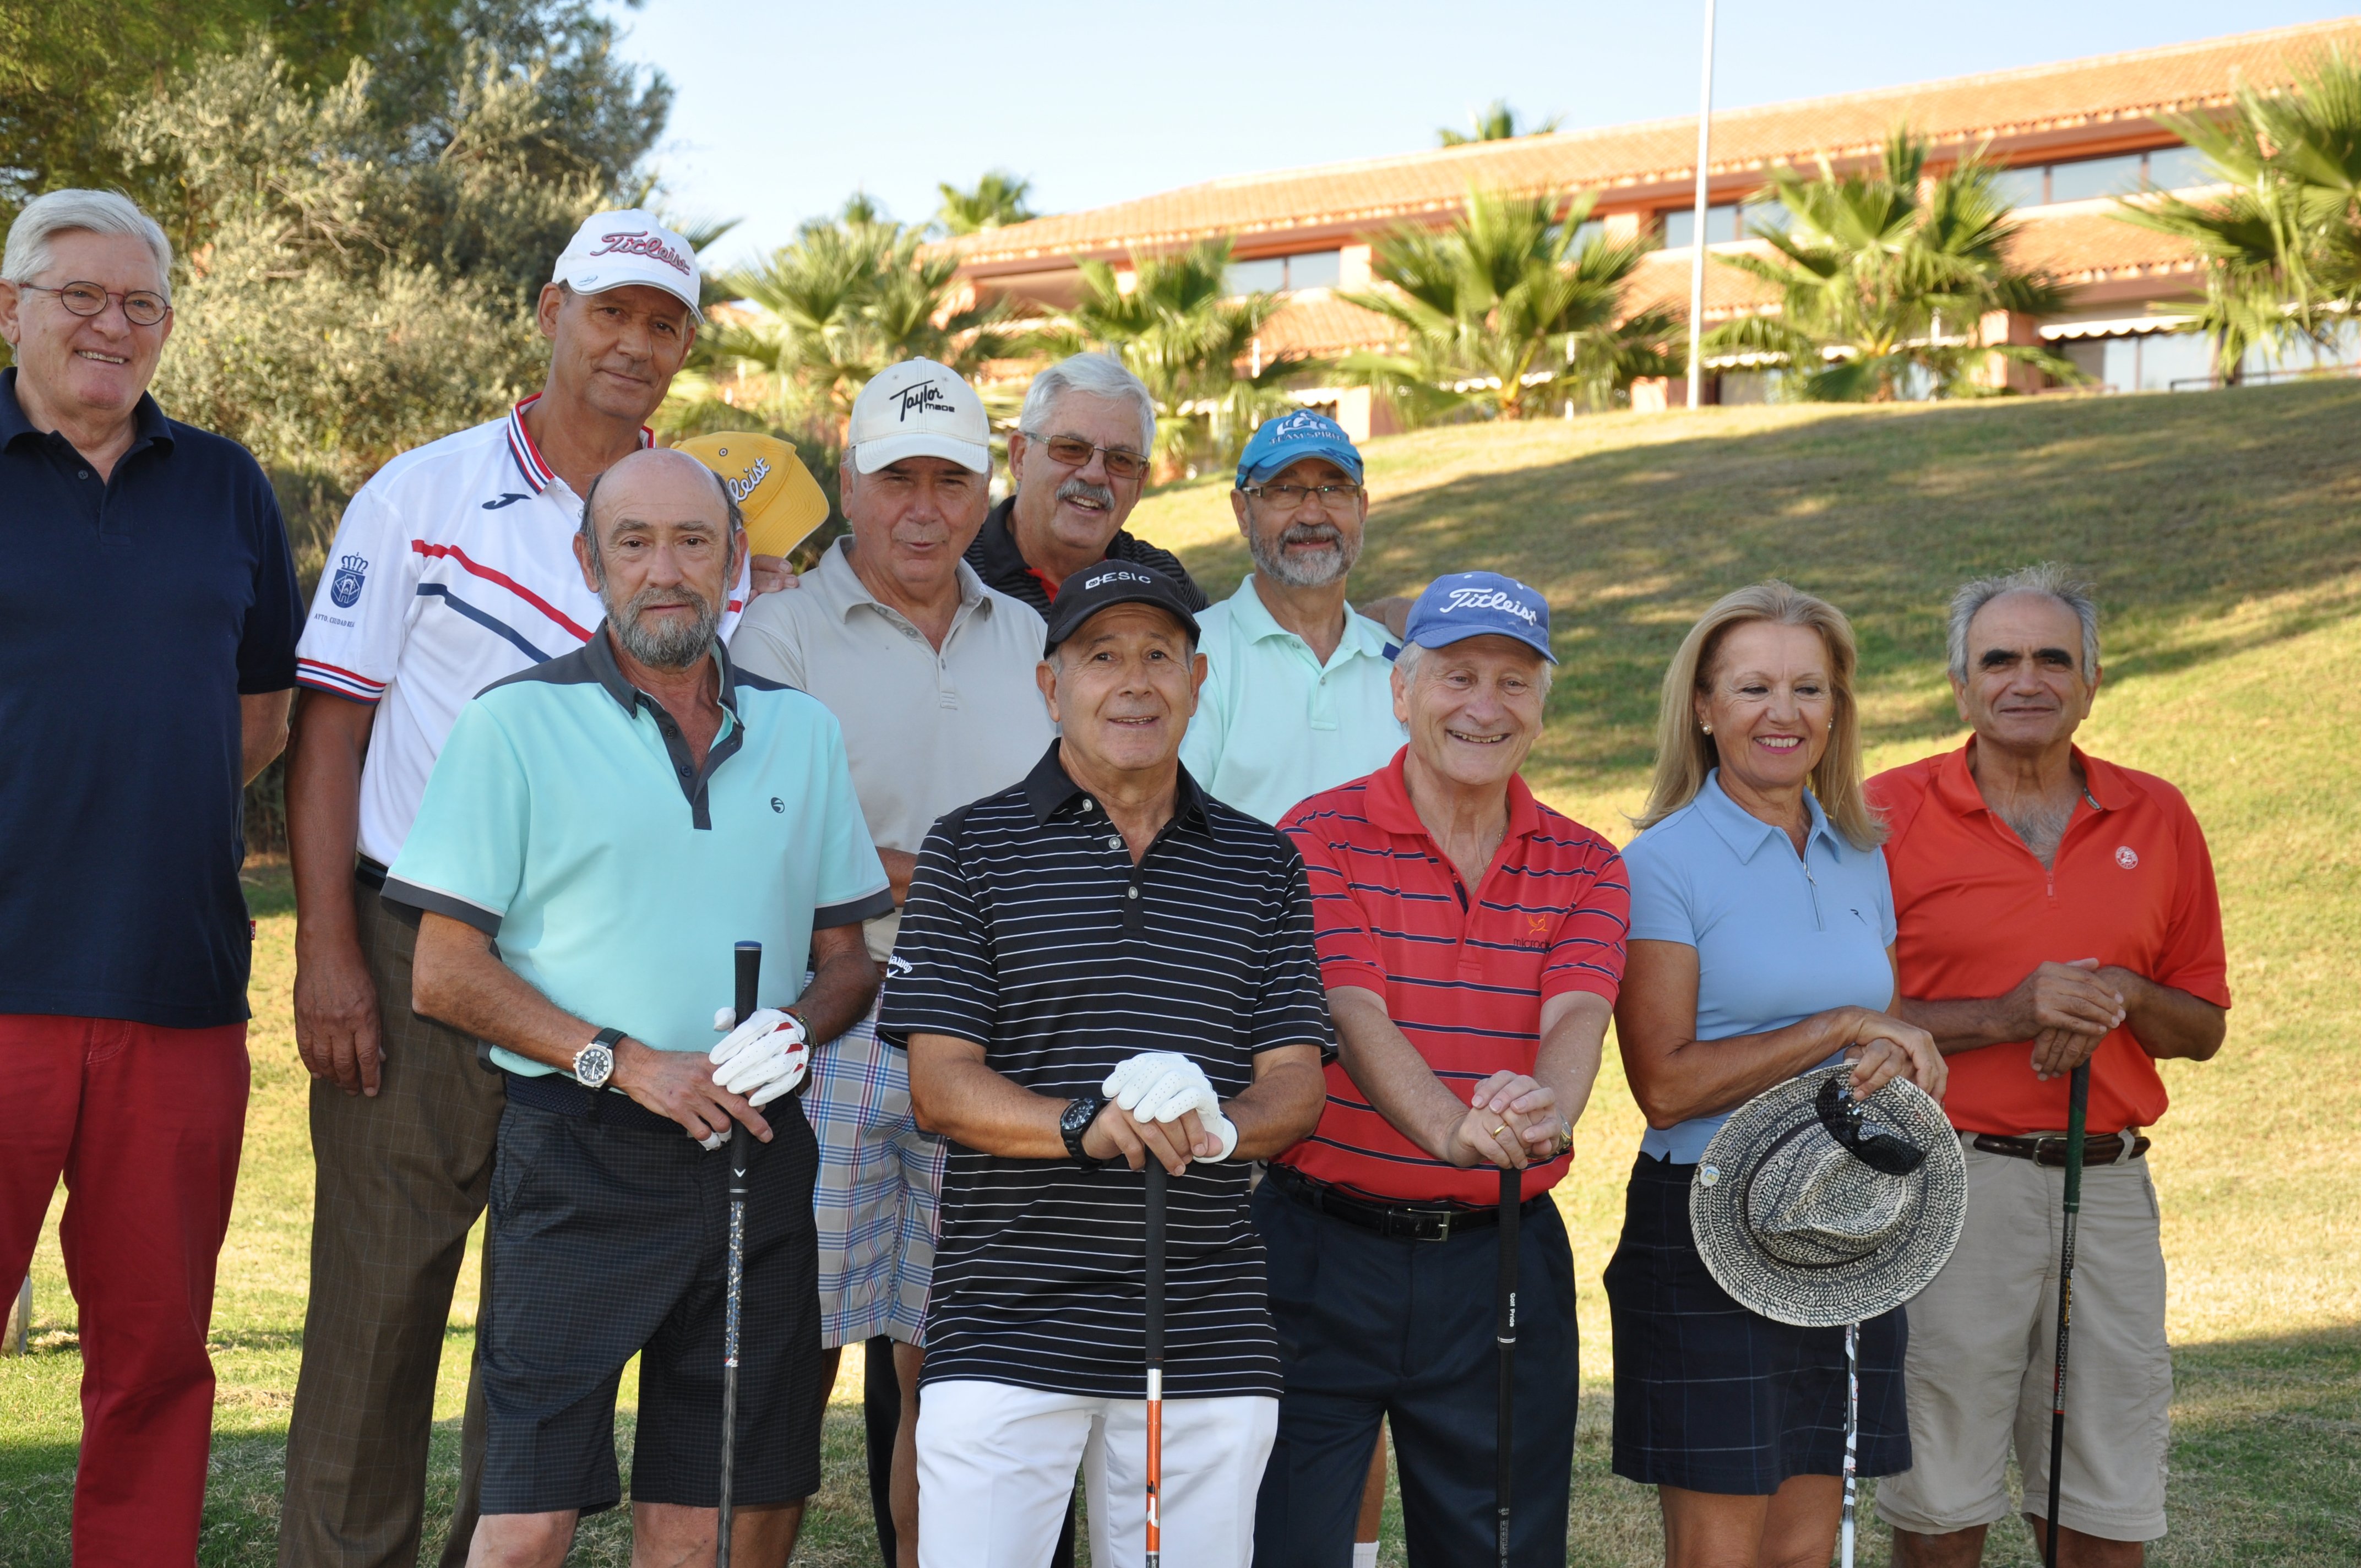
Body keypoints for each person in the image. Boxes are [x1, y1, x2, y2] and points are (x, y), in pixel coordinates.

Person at [280, 209, 743, 1568]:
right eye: (610, 311)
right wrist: (326, 951)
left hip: (599, 976)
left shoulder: (702, 525)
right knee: (379, 1304)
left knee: (541, 1327)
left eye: (662, 323)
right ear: (551, 311)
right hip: (417, 937)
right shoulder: (420, 494)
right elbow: (331, 732)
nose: (632, 343)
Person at [386, 447, 890, 1566]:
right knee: (524, 1519)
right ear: (588, 562)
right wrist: (622, 1059)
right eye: (634, 542)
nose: (667, 569)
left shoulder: (800, 732)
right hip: (578, 1152)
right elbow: (445, 972)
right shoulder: (512, 724)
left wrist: (795, 1026)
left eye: (694, 541)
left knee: (700, 1512)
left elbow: (850, 958)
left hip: (755, 1154)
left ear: (736, 565)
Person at [886, 564, 1331, 1568]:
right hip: (1005, 1317)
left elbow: (1294, 1084)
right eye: (1101, 656)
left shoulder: (1263, 863)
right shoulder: (969, 849)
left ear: (1197, 676)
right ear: (1051, 686)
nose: (1134, 682)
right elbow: (941, 1084)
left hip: (1203, 1324)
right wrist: (1083, 1124)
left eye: (1158, 655)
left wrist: (1215, 1125)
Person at [0, 188, 302, 1568]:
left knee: (158, 1361)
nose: (109, 325)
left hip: (180, 994)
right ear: (14, 307)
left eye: (140, 303)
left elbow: (258, 716)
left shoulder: (230, 482)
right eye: (79, 295)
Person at [730, 357, 1055, 1567]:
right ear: (851, 486)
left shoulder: (1027, 634)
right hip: (833, 1028)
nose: (923, 506)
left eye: (950, 480)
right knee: (785, 1361)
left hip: (991, 1037)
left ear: (984, 495)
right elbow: (762, 826)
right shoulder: (780, 629)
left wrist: (942, 872)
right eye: (896, 479)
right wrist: (917, 872)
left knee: (956, 1376)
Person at [1254, 571, 1628, 1567]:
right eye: (1457, 675)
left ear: (1541, 707)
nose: (1483, 706)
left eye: (1513, 682)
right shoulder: (1315, 835)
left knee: (1497, 1550)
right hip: (1318, 1250)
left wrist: (1538, 1109)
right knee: (1290, 1544)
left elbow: (1579, 1011)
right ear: (1401, 691)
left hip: (1499, 1254)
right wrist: (1449, 1127)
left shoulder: (1586, 863)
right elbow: (1350, 1004)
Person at [1872, 566, 2228, 1568]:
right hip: (1948, 1180)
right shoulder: (1883, 813)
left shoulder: (2156, 815)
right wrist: (2010, 1011)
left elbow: (2198, 1026)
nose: (2024, 678)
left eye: (2050, 658)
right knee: (1938, 1496)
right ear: (1958, 686)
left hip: (2107, 1184)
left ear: (2089, 681)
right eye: (1998, 659)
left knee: (2104, 1490)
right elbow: (1849, 1018)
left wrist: (2114, 989)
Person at [1604, 581, 1947, 1568]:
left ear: (1834, 710)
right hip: (1708, 1220)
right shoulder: (1658, 865)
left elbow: (1865, 1031)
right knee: (1721, 1550)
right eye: (1752, 687)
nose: (1782, 712)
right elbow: (1663, 1083)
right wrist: (1840, 1024)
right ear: (1704, 708)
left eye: (1808, 688)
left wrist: (1888, 1052)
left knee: (1808, 1539)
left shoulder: (1859, 854)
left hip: (1846, 1213)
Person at [1179, 409, 1405, 826]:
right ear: (1243, 512)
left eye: (1334, 489)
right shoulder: (1193, 657)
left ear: (1363, 508)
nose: (1313, 514)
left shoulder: (1404, 662)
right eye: (1285, 490)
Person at [962, 352, 1208, 614]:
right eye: (1071, 448)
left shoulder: (1164, 582)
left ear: (1139, 485)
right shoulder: (956, 573)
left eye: (1120, 459)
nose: (1094, 475)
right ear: (1020, 457)